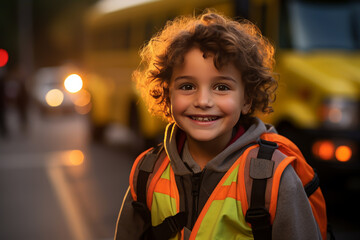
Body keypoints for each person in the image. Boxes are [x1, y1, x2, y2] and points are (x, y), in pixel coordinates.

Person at [115, 10, 325, 240]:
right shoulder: (147, 172)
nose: (203, 101)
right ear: (168, 94)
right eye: (187, 86)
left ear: (247, 99)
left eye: (221, 87)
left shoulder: (273, 179)